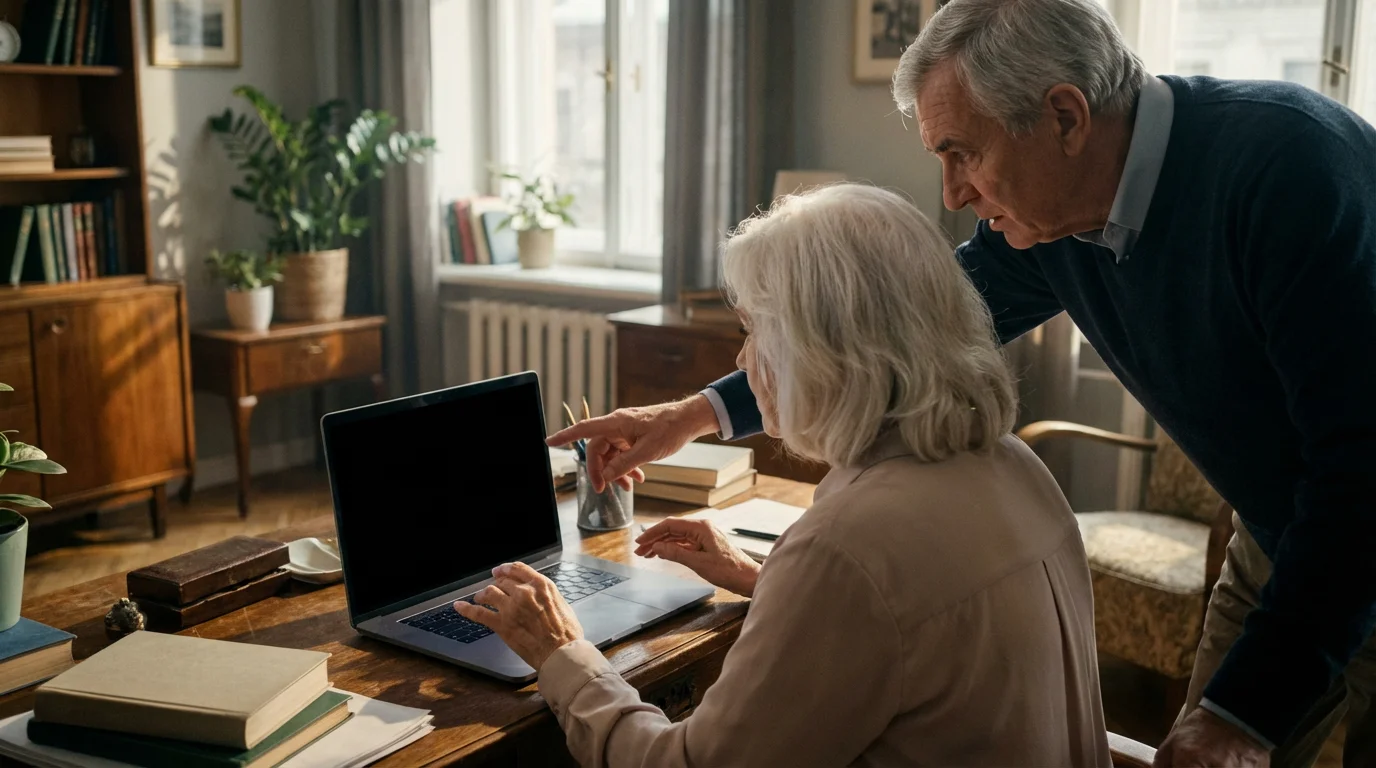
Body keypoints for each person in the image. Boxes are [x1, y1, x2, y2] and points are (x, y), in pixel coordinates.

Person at [549, 1, 1376, 766]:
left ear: (1064, 116)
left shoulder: (1291, 170)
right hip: (1280, 533)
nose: (953, 194)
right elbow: (889, 322)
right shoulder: (1056, 215)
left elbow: (1361, 477)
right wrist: (692, 413)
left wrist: (1244, 713)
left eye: (963, 153)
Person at [455, 184, 1112, 767]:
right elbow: (916, 637)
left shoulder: (847, 547)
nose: (744, 357)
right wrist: (764, 581)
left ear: (818, 351)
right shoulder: (1017, 466)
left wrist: (563, 652)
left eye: (754, 331)